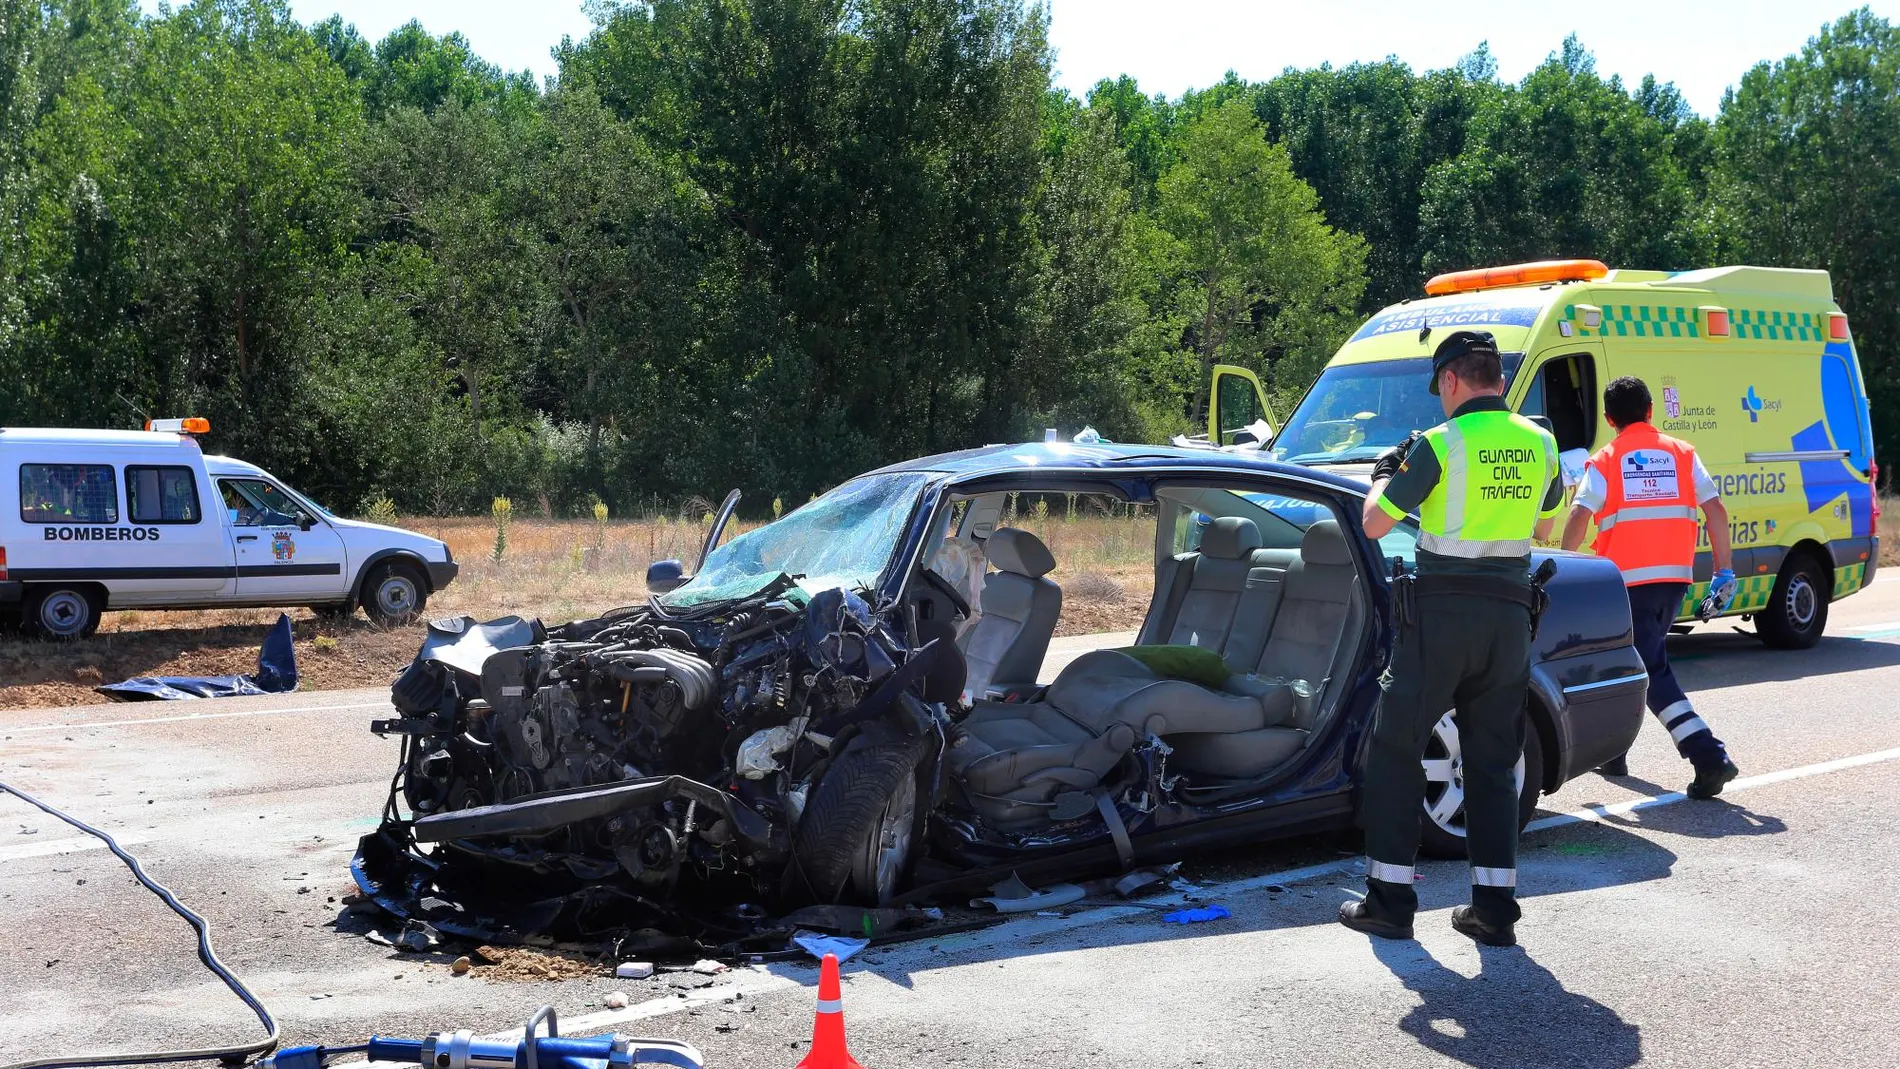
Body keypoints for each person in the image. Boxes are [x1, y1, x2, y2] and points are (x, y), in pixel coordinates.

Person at [1341, 330, 1563, 949]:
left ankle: (1389, 901)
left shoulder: (1439, 445)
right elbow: (1549, 522)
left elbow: (1376, 520)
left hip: (1440, 617)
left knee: (1395, 749)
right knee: (1493, 763)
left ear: (1449, 380)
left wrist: (1386, 475)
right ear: (1495, 376)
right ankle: (1493, 911)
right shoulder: (1541, 443)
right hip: (1510, 619)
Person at [1561, 375, 1741, 799]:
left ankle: (1708, 756)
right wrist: (1725, 569)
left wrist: (1566, 567)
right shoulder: (1681, 453)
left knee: (1649, 670)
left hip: (1625, 584)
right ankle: (1614, 751)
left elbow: (1578, 515)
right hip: (1673, 580)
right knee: (1630, 663)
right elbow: (1715, 510)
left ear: (1608, 418)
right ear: (1649, 412)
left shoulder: (1606, 460)